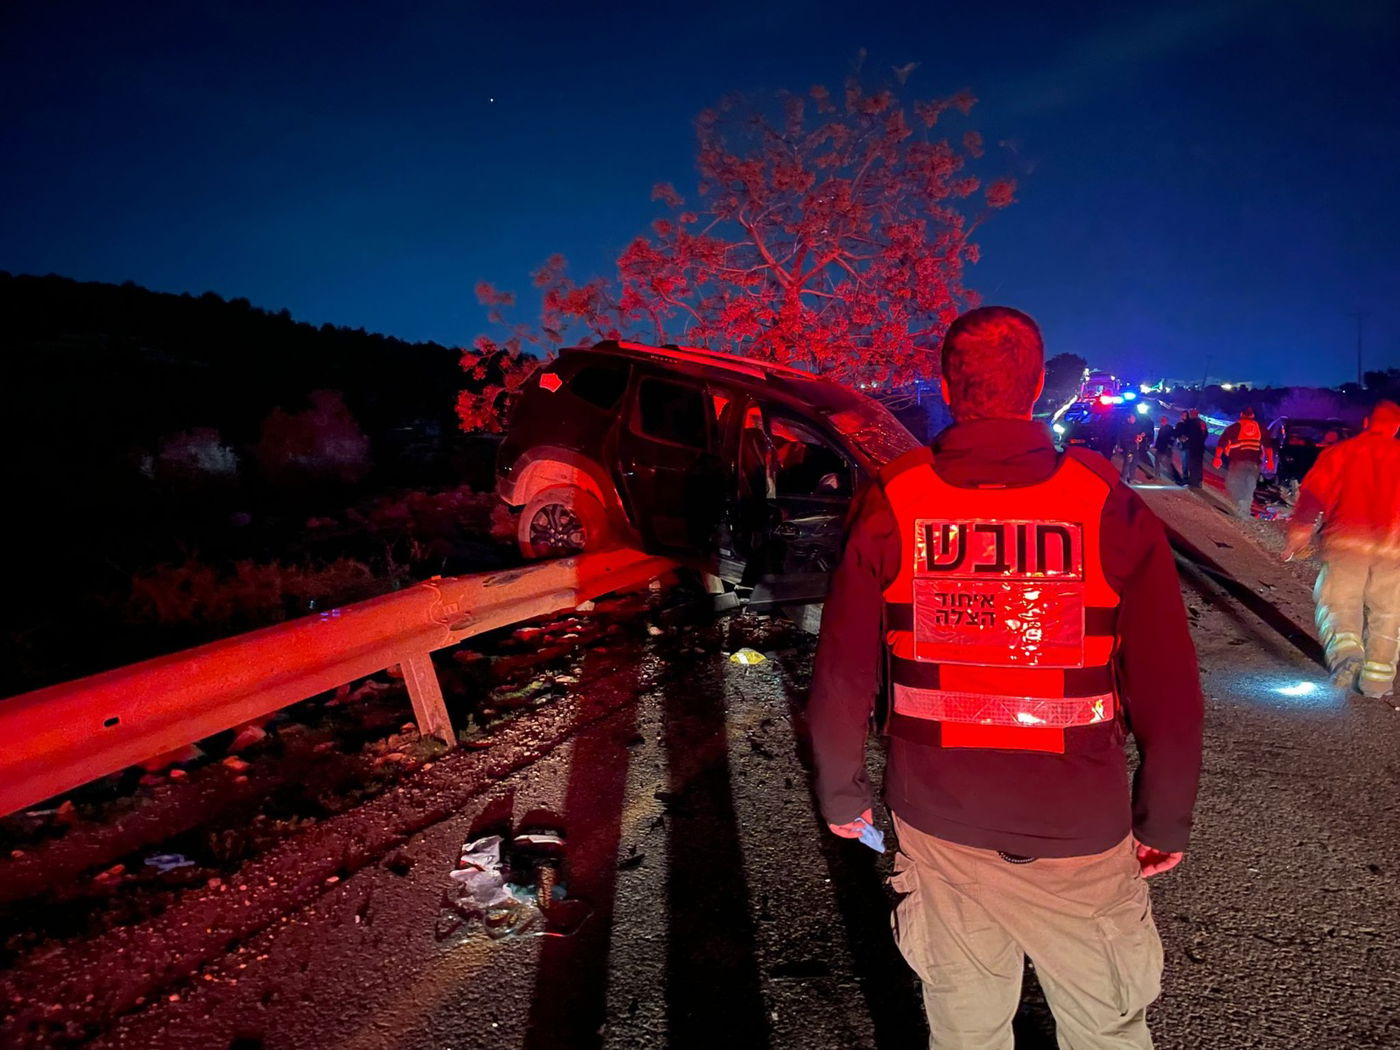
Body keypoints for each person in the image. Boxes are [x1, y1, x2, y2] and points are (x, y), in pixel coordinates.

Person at [808, 306, 1204, 1050]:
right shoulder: (1104, 505)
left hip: (939, 819)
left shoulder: (895, 502)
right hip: (1079, 827)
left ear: (949, 389)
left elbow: (842, 674)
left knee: (965, 1027)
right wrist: (1163, 817)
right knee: (1107, 1030)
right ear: (1036, 389)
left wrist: (841, 793)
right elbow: (1169, 687)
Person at [1283, 400, 1400, 698]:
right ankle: (1377, 681)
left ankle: (1347, 655)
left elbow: (1312, 495)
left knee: (1339, 603)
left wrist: (1299, 534)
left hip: (1346, 544)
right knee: (1389, 613)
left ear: (1365, 423)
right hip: (1393, 550)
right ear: (1396, 427)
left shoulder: (1341, 453)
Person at [1213, 407, 1276, 518]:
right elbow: (1268, 446)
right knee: (1250, 486)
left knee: (1234, 484)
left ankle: (1241, 502)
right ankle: (1245, 510)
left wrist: (1218, 457)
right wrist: (1270, 461)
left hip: (1238, 461)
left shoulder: (1234, 428)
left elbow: (1221, 444)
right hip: (1254, 462)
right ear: (1252, 415)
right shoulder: (1260, 428)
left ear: (1241, 414)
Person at [1179, 409, 1208, 489]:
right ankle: (1197, 481)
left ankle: (1192, 481)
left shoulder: (1189, 422)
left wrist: (1184, 439)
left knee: (1189, 464)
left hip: (1191, 446)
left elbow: (1185, 433)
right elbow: (1205, 434)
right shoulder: (1201, 423)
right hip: (1198, 447)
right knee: (1197, 464)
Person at [1152, 415, 1178, 483]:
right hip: (1162, 448)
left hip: (1165, 449)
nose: (1161, 421)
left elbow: (1172, 438)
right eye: (1161, 420)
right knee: (1159, 461)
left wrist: (1169, 445)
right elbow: (1160, 439)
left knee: (1166, 463)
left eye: (1163, 420)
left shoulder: (1169, 428)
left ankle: (1173, 477)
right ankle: (1158, 476)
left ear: (1166, 421)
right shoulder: (1163, 428)